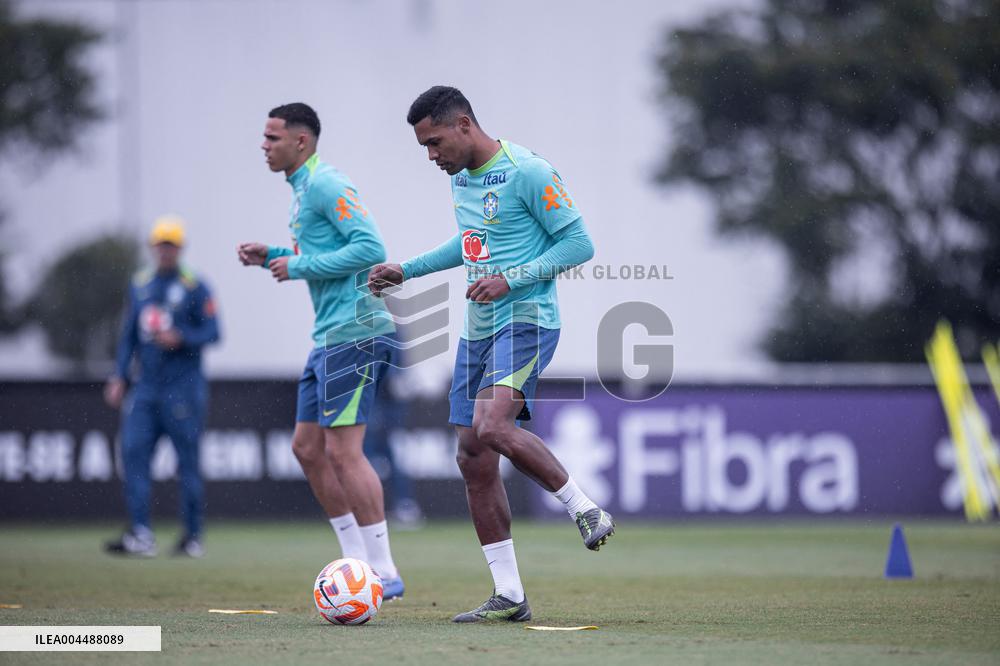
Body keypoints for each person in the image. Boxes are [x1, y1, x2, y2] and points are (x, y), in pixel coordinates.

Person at [368, 86, 615, 623]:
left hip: (526, 322)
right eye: (424, 149)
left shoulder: (528, 171)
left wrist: (512, 278)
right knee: (473, 457)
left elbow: (579, 244)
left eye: (435, 143)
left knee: (492, 426)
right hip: (477, 332)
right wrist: (405, 270)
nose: (432, 157)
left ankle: (586, 509)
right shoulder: (461, 180)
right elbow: (470, 243)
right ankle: (510, 595)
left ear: (463, 124)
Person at [237, 103, 404, 599]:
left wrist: (299, 267)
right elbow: (321, 255)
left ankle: (384, 571)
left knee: (342, 451)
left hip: (355, 330)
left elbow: (371, 249)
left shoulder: (327, 183)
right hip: (328, 335)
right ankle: (355, 561)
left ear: (301, 141)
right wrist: (273, 256)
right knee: (307, 448)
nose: (264, 146)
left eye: (272, 137)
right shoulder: (300, 191)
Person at [104, 216, 220, 558]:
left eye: (171, 244)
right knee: (133, 455)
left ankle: (192, 536)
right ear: (153, 248)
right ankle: (141, 532)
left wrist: (181, 338)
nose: (165, 250)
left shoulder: (195, 285)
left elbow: (214, 332)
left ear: (180, 248)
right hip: (146, 388)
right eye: (160, 244)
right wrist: (119, 375)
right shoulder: (140, 284)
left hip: (183, 389)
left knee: (187, 464)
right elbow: (128, 337)